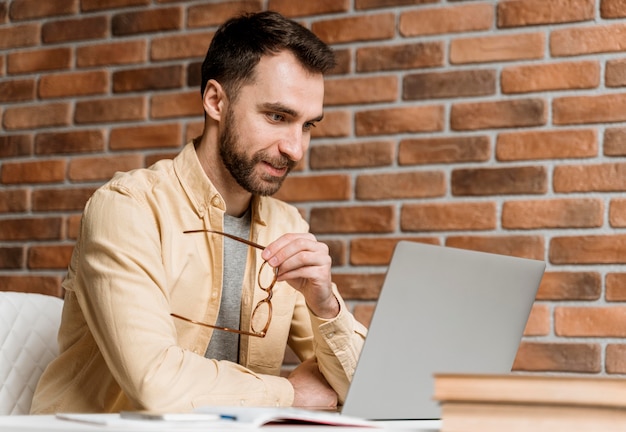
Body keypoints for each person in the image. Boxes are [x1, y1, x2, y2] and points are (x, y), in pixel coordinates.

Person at [30, 11, 367, 414]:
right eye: (277, 116)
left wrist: (326, 307)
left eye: (308, 125)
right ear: (215, 101)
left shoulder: (285, 226)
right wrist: (289, 394)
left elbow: (364, 386)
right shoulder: (127, 208)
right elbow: (156, 384)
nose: (295, 149)